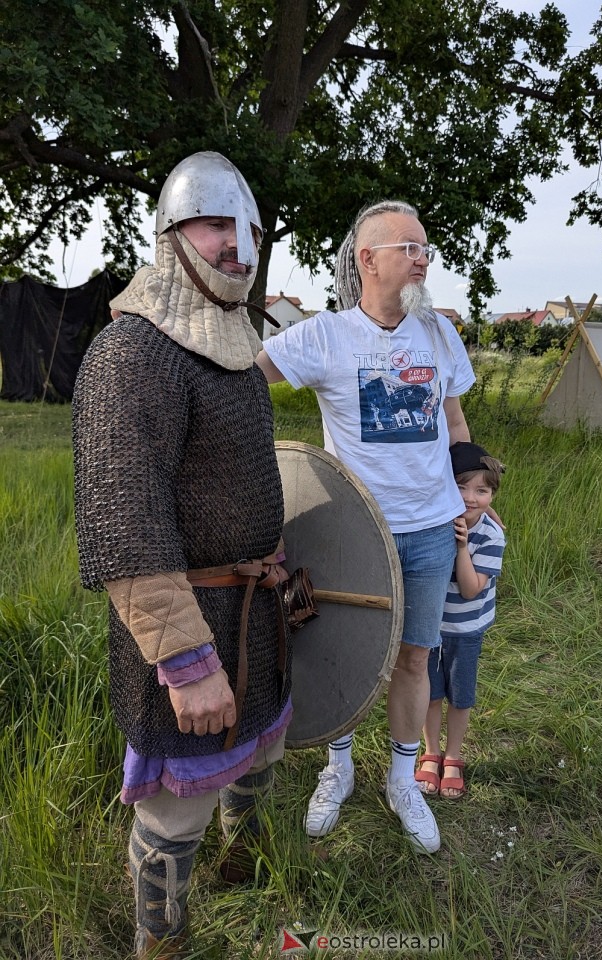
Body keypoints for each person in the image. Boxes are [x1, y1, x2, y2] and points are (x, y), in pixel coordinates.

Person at [73, 152, 291, 958]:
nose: (239, 246)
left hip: (258, 612)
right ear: (170, 236)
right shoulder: (133, 354)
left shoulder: (236, 348)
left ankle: (248, 861)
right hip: (191, 629)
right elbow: (124, 525)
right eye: (216, 224)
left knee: (261, 742)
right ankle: (159, 943)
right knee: (176, 807)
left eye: (251, 230)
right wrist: (187, 661)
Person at [255, 200, 477, 854]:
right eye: (407, 246)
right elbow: (242, 379)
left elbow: (456, 426)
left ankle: (402, 781)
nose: (421, 257)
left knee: (414, 656)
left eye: (425, 247)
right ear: (367, 258)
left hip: (431, 531)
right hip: (353, 533)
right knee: (343, 654)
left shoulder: (438, 333)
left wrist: (468, 496)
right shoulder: (324, 336)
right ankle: (339, 767)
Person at [415, 442, 506, 800]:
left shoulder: (490, 536)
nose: (470, 498)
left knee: (460, 697)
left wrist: (462, 546)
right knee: (430, 694)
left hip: (466, 630)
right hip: (432, 626)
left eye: (481, 491)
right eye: (461, 487)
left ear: (492, 495)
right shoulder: (436, 523)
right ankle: (431, 751)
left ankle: (453, 755)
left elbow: (470, 590)